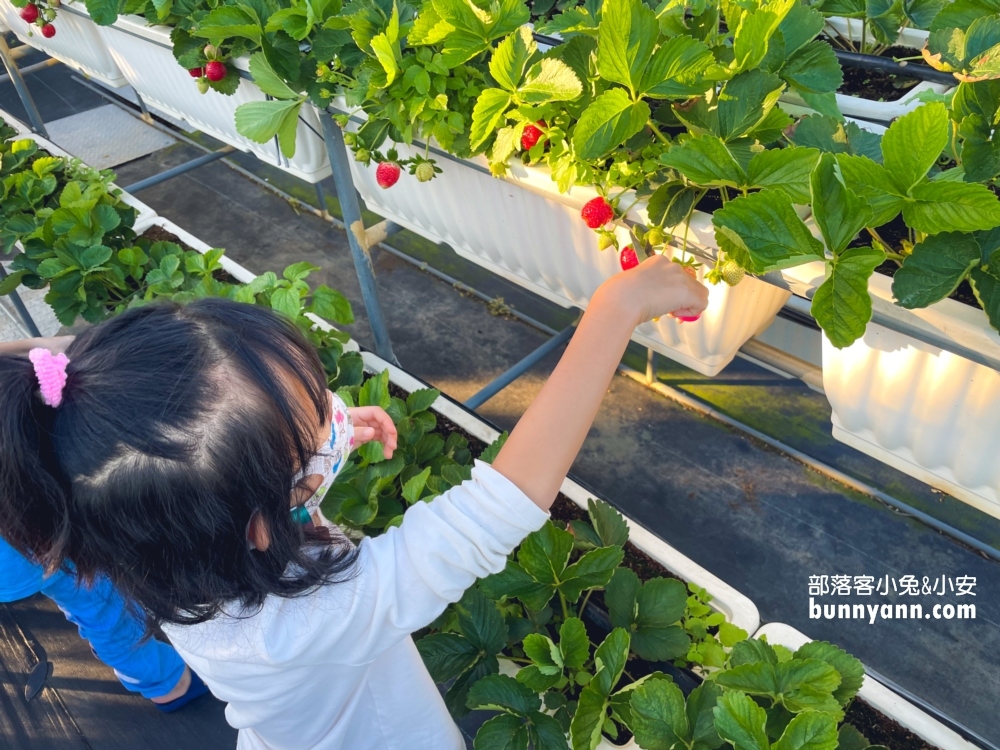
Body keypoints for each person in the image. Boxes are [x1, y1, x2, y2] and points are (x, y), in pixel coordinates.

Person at [0, 256, 707, 749]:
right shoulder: (314, 618)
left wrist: (320, 451)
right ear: (256, 521)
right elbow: (496, 509)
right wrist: (614, 311)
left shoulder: (146, 533)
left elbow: (82, 374)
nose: (341, 417)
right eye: (317, 433)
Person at [0, 331, 208, 713]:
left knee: (76, 589)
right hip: (25, 541)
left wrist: (49, 346)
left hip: (18, 539)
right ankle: (162, 681)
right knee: (101, 603)